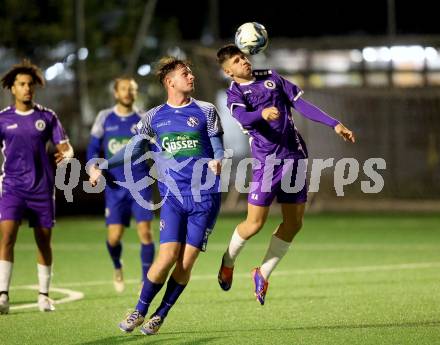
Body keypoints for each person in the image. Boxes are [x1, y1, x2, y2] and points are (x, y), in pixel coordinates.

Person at [89, 57, 224, 335]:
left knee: (185, 263)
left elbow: (218, 146)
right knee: (166, 257)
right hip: (173, 197)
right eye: (184, 73)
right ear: (169, 81)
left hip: (205, 197)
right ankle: (139, 310)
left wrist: (218, 160)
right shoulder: (152, 117)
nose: (191, 76)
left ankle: (160, 315)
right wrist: (104, 164)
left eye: (190, 72)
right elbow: (134, 150)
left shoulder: (206, 110)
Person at [216, 44, 355, 305]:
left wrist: (334, 123)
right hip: (266, 164)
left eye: (244, 56)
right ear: (228, 71)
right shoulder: (234, 94)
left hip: (294, 158)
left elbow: (302, 104)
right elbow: (244, 117)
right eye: (237, 60)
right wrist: (262, 113)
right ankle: (228, 260)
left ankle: (262, 273)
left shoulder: (271, 77)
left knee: (294, 224)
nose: (244, 61)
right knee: (254, 224)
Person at [0, 60, 74, 314]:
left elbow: (65, 146)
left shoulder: (47, 117)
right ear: (12, 88)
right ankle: (2, 296)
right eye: (21, 84)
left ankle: (44, 296)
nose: (27, 88)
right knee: (7, 237)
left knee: (43, 242)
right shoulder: (3, 119)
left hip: (42, 189)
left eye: (30, 84)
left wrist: (67, 154)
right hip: (12, 188)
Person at [87, 77, 155, 292]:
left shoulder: (144, 118)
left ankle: (146, 279)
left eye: (132, 89)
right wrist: (93, 169)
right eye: (123, 89)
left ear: (136, 93)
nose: (127, 93)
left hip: (141, 184)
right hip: (115, 187)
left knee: (145, 232)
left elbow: (155, 147)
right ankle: (118, 265)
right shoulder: (105, 118)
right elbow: (92, 149)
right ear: (116, 93)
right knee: (114, 238)